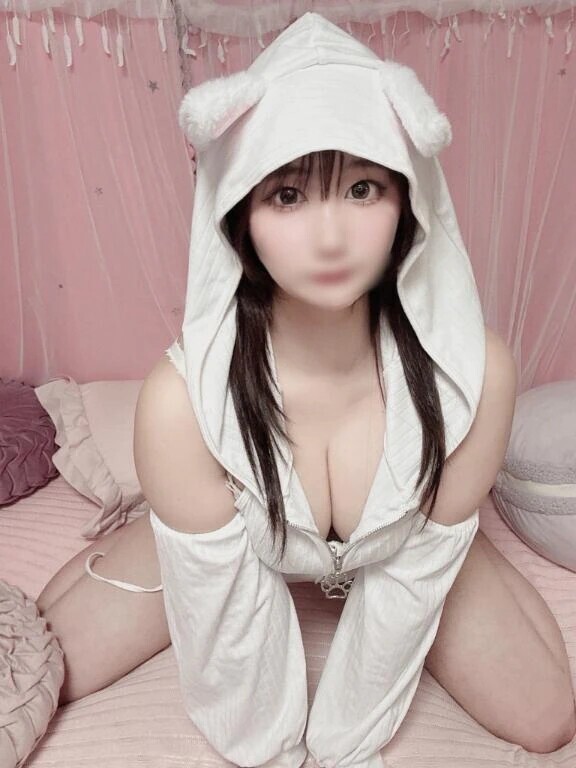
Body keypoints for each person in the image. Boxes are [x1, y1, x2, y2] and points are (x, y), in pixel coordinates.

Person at [37, 11, 576, 767]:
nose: (330, 237)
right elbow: (237, 674)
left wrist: (347, 743)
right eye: (288, 196)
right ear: (240, 215)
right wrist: (273, 751)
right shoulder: (182, 402)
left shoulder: (473, 372)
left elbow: (411, 586)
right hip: (239, 531)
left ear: (407, 199)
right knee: (47, 665)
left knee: (547, 718)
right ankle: (185, 529)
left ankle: (386, 534)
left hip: (406, 545)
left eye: (361, 189)